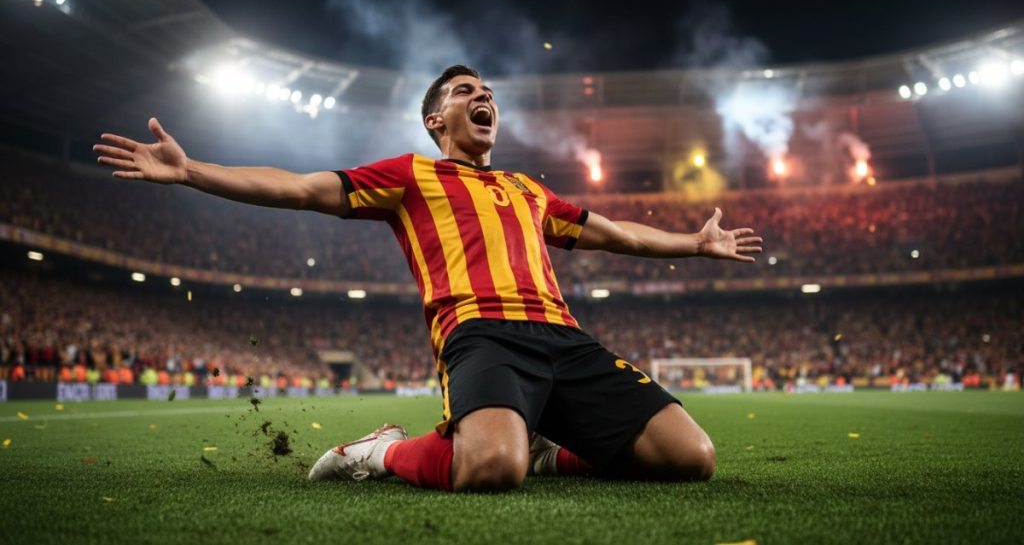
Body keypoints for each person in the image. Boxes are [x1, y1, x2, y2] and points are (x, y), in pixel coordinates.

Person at [95, 64, 763, 492]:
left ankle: (544, 450)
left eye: (487, 93)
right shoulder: (411, 175)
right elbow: (299, 188)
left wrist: (694, 244)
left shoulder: (527, 189)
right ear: (435, 120)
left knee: (692, 457)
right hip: (482, 334)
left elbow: (616, 233)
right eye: (466, 92)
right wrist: (192, 171)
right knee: (490, 469)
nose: (483, 97)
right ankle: (380, 452)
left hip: (564, 337)